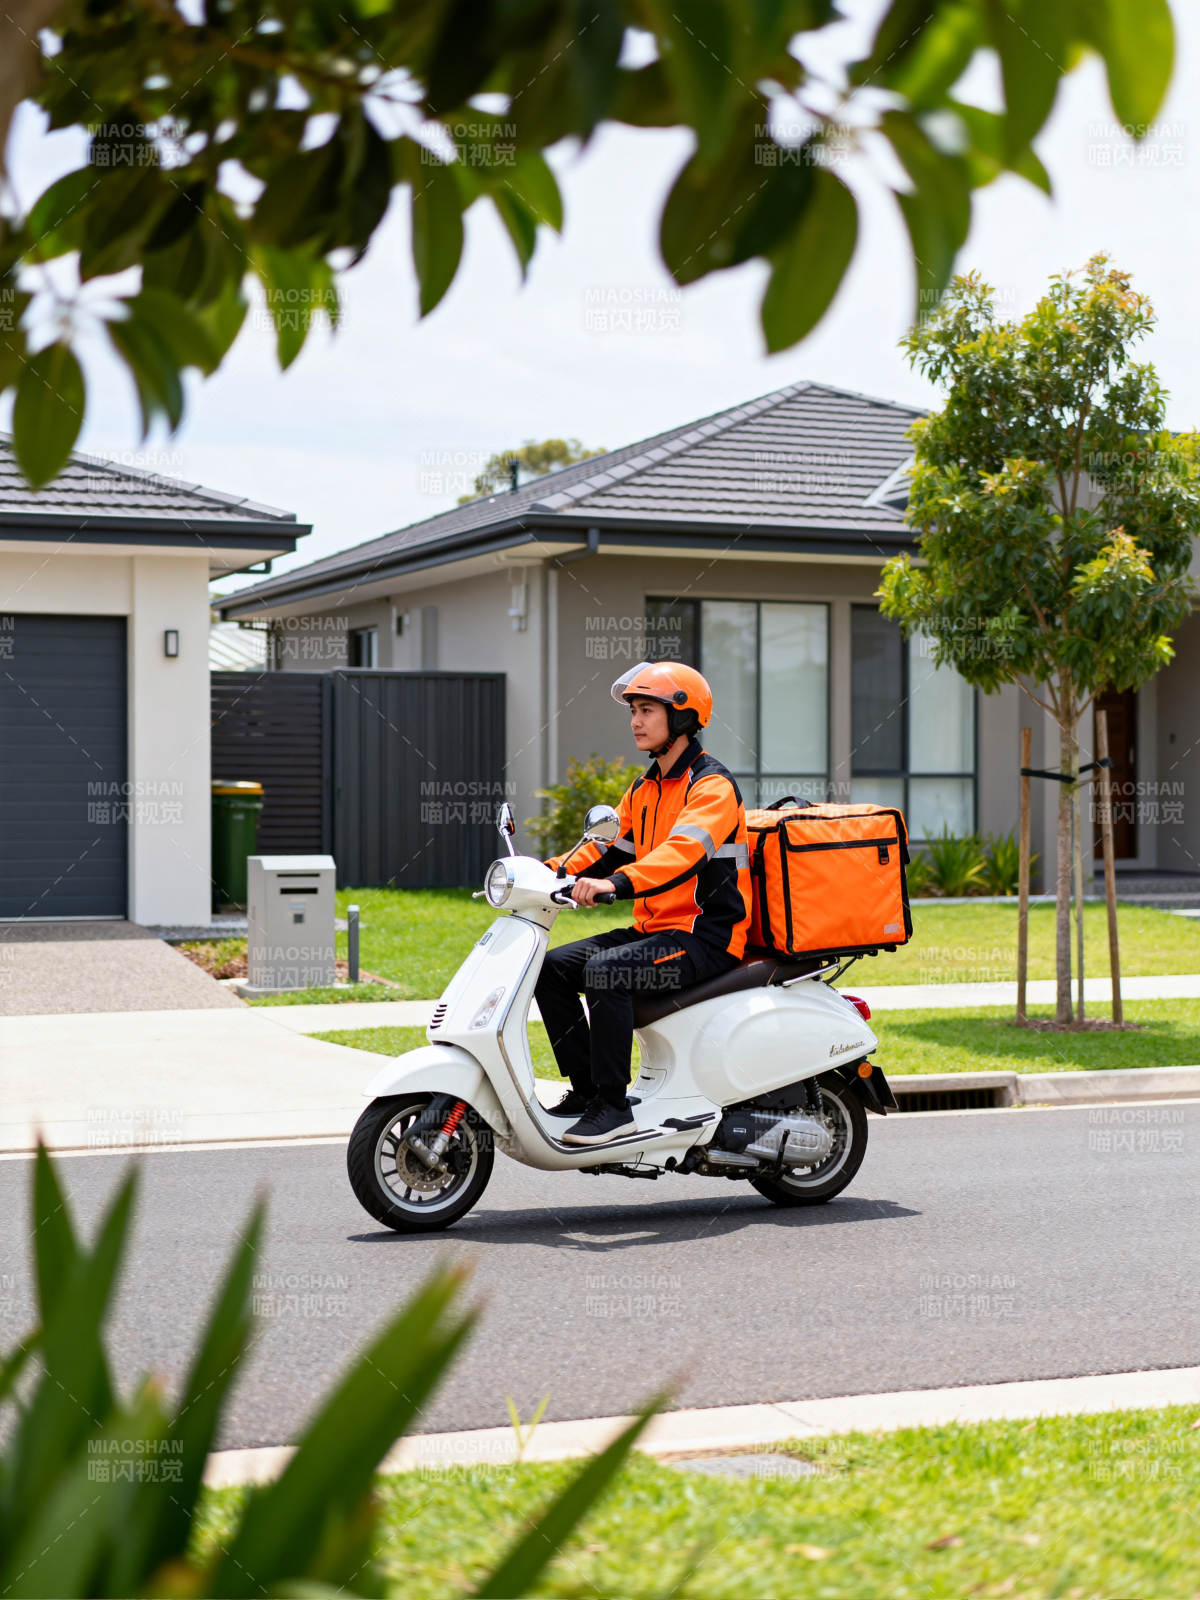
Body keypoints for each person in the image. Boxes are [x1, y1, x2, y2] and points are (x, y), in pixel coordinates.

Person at [535, 660, 752, 1146]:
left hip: (705, 936)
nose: (635, 720)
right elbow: (607, 847)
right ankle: (588, 1091)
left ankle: (614, 1108)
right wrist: (544, 872)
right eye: (633, 709)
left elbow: (682, 855)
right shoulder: (645, 787)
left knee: (606, 972)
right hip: (657, 931)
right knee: (551, 969)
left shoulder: (711, 787)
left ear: (681, 716)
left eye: (647, 709)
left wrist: (616, 884)